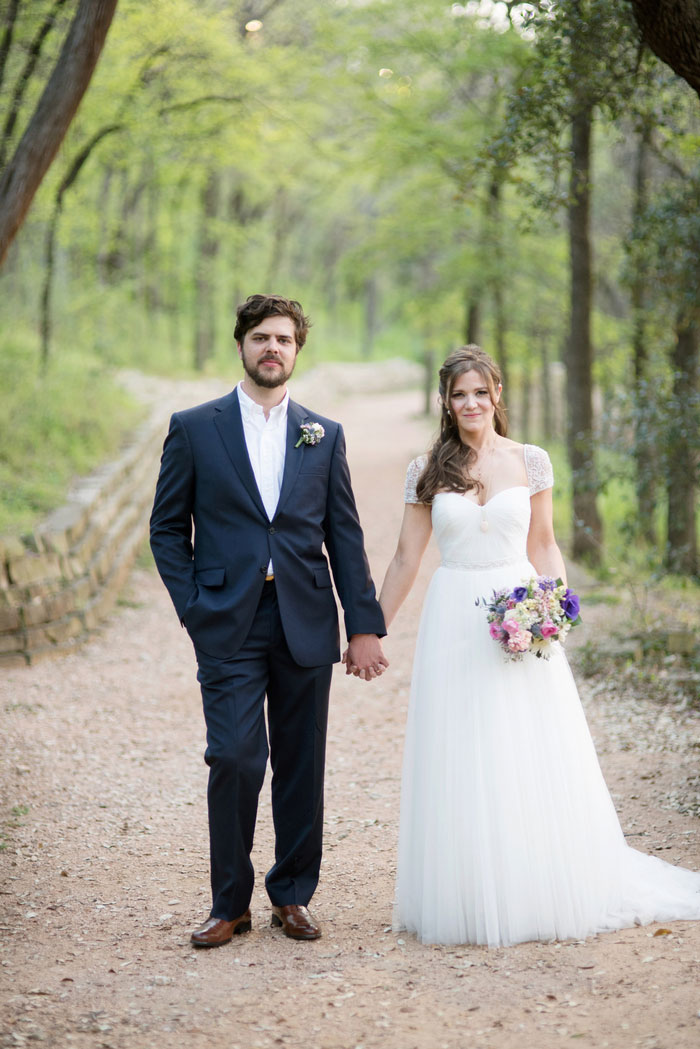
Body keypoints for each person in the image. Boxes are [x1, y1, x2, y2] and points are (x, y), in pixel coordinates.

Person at [377, 344, 700, 947]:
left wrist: (552, 609)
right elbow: (405, 558)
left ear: (497, 394)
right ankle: (469, 889)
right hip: (452, 618)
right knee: (460, 747)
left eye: (480, 391)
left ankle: (534, 882)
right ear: (445, 403)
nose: (471, 403)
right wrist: (371, 628)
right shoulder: (428, 468)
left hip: (518, 613)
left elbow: (545, 545)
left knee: (523, 743)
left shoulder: (531, 461)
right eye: (459, 394)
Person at [150, 294, 387, 947]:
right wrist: (193, 606)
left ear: (297, 350)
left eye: (283, 338)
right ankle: (229, 902)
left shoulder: (322, 433)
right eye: (261, 337)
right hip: (225, 619)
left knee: (302, 760)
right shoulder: (195, 427)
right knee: (234, 753)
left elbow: (345, 535)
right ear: (241, 345)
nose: (272, 348)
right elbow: (167, 529)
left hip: (306, 616)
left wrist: (363, 623)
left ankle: (291, 894)